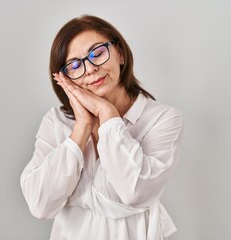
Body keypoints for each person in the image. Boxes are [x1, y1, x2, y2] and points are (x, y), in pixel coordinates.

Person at [20, 14, 183, 240]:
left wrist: (107, 115)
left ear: (120, 54)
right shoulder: (55, 121)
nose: (89, 69)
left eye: (97, 53)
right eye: (74, 65)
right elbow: (40, 204)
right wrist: (82, 127)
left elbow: (134, 191)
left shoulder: (162, 118)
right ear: (65, 78)